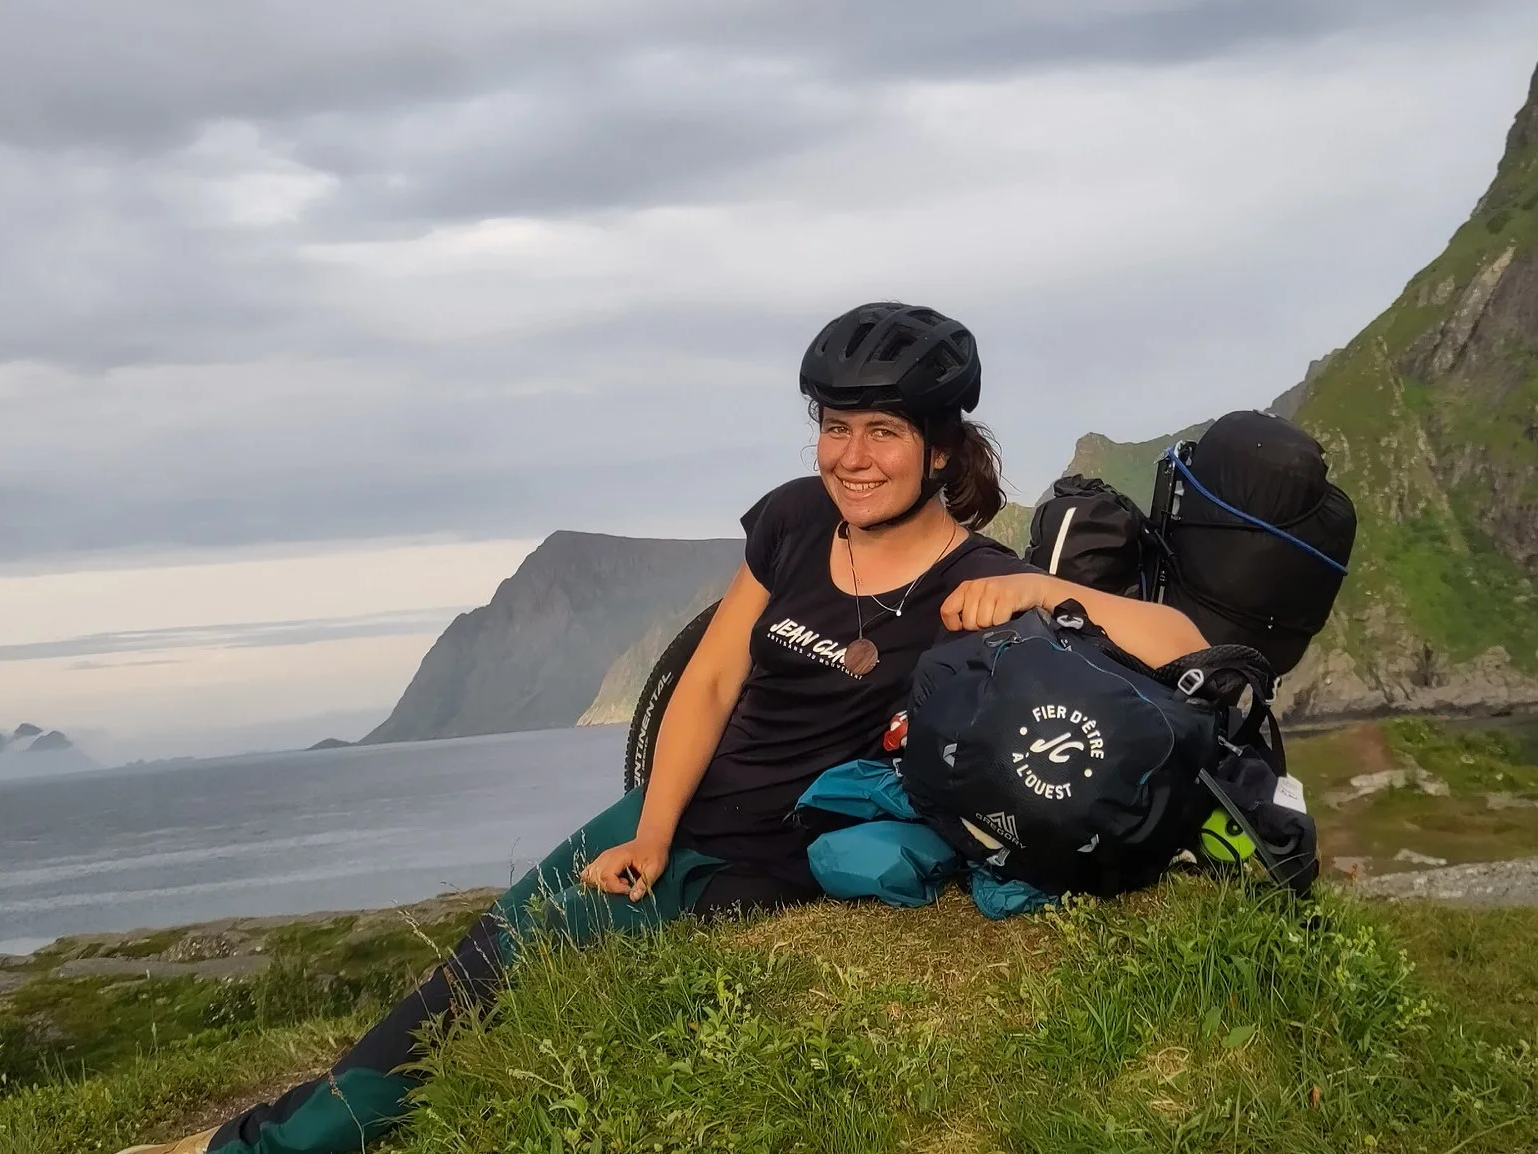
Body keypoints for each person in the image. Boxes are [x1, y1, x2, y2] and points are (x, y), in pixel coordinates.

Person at [118, 302, 1208, 1154]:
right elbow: (714, 673)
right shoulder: (791, 519)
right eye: (835, 427)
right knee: (468, 971)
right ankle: (286, 1127)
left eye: (883, 432)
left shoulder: (976, 575)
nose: (852, 456)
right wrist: (646, 828)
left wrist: (1050, 600)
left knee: (513, 979)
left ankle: (277, 1140)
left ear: (938, 449)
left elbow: (1178, 642)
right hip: (674, 812)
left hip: (772, 858)